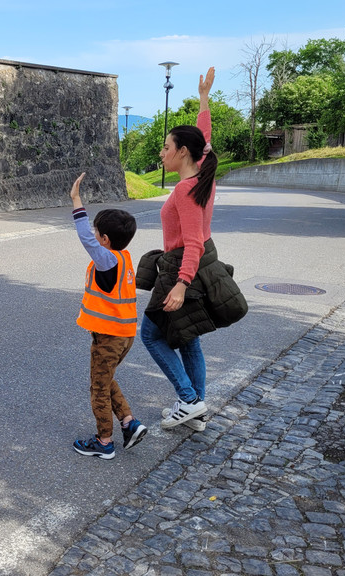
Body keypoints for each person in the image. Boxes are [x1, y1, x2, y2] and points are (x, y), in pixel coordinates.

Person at [139, 66, 244, 432]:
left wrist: (182, 283)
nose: (162, 152)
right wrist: (204, 98)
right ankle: (195, 411)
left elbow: (195, 240)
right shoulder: (203, 176)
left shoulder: (186, 190)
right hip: (191, 264)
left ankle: (187, 399)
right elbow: (205, 137)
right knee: (187, 339)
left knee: (151, 336)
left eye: (167, 147)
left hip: (183, 267)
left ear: (183, 152)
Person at [69, 172, 147, 460]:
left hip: (109, 337)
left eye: (96, 231)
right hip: (124, 336)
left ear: (105, 239)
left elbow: (86, 239)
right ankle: (129, 422)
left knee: (98, 387)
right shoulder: (124, 258)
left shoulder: (107, 259)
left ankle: (104, 441)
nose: (93, 234)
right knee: (106, 378)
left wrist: (77, 201)